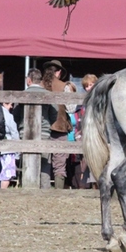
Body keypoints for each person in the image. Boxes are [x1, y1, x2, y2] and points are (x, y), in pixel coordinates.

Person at [13, 68, 58, 189]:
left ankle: (27, 187)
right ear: (40, 80)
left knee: (27, 163)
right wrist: (47, 124)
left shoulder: (22, 95)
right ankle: (45, 189)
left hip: (25, 132)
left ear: (29, 80)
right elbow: (55, 113)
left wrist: (21, 125)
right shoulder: (48, 95)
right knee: (44, 164)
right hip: (44, 132)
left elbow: (16, 114)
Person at [42, 59, 75, 189]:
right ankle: (58, 191)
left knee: (44, 160)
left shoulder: (39, 85)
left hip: (42, 128)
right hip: (59, 128)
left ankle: (43, 188)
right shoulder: (64, 86)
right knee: (59, 163)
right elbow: (71, 108)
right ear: (59, 72)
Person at [0, 102, 20, 189]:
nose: (11, 107)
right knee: (7, 174)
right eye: (10, 104)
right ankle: (2, 193)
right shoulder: (8, 116)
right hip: (8, 148)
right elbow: (14, 133)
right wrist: (18, 151)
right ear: (4, 103)